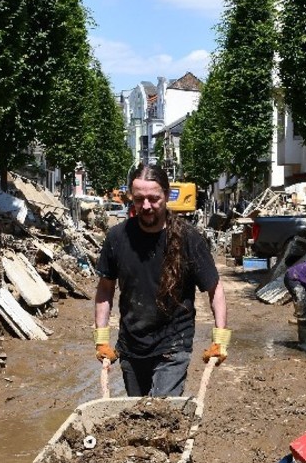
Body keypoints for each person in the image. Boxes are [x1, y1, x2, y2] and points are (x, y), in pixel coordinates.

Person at [93, 165, 228, 396]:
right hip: (132, 344)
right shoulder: (117, 238)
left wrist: (220, 339)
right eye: (139, 199)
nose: (146, 206)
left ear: (166, 194)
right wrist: (102, 339)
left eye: (153, 198)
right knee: (138, 414)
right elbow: (105, 290)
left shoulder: (188, 238)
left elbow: (214, 290)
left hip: (174, 344)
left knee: (160, 411)